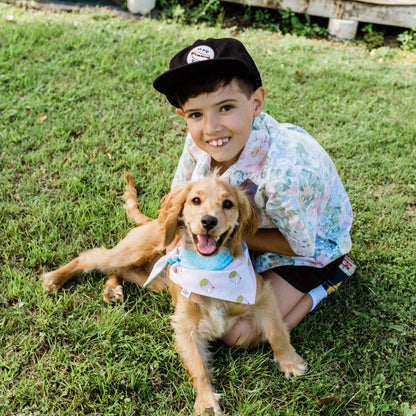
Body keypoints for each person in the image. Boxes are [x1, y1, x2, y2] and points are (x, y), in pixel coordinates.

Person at [152, 38, 355, 346]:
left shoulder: (286, 172)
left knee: (240, 335)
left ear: (257, 103)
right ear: (184, 116)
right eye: (196, 114)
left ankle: (328, 281)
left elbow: (301, 245)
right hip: (239, 229)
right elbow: (181, 200)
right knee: (186, 279)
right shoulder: (200, 141)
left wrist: (233, 233)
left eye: (226, 107)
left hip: (307, 248)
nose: (211, 128)